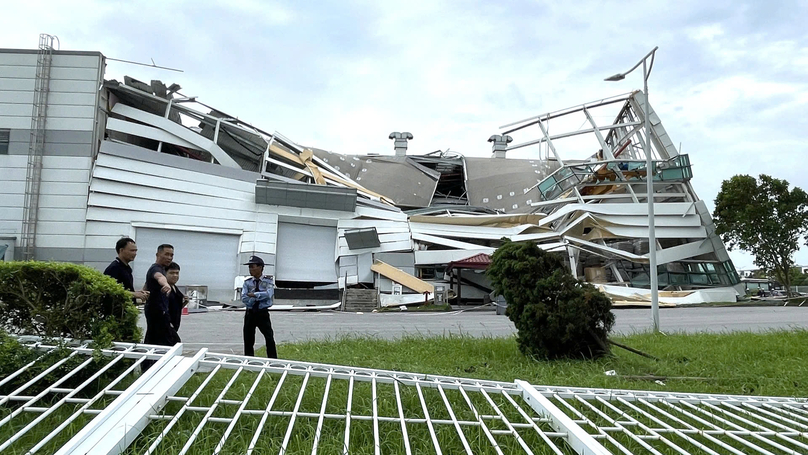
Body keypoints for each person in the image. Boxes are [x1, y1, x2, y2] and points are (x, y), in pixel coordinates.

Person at [142, 244, 179, 371]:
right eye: (166, 254)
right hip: (157, 313)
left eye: (171, 255)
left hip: (156, 311)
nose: (169, 257)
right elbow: (159, 277)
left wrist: (143, 294)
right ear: (158, 255)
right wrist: (165, 284)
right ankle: (168, 369)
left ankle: (148, 368)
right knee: (173, 342)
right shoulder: (156, 269)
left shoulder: (160, 269)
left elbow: (147, 284)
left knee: (152, 341)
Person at [242, 255, 277, 358]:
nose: (251, 269)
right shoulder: (247, 282)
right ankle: (248, 360)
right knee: (248, 338)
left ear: (261, 267)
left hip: (262, 312)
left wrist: (254, 295)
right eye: (250, 267)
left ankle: (273, 360)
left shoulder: (268, 281)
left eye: (253, 266)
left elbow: (268, 295)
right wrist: (258, 296)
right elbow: (244, 298)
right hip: (250, 312)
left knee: (269, 337)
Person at [103, 237, 148, 303]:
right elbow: (110, 290)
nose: (135, 253)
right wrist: (133, 294)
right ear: (121, 250)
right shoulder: (114, 268)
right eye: (132, 251)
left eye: (136, 251)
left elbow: (125, 289)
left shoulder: (127, 268)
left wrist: (138, 293)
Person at [165, 262, 187, 338]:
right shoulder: (165, 289)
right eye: (171, 273)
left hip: (175, 324)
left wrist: (185, 302)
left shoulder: (175, 288)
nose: (175, 275)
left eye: (177, 273)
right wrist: (168, 323)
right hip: (166, 326)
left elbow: (176, 307)